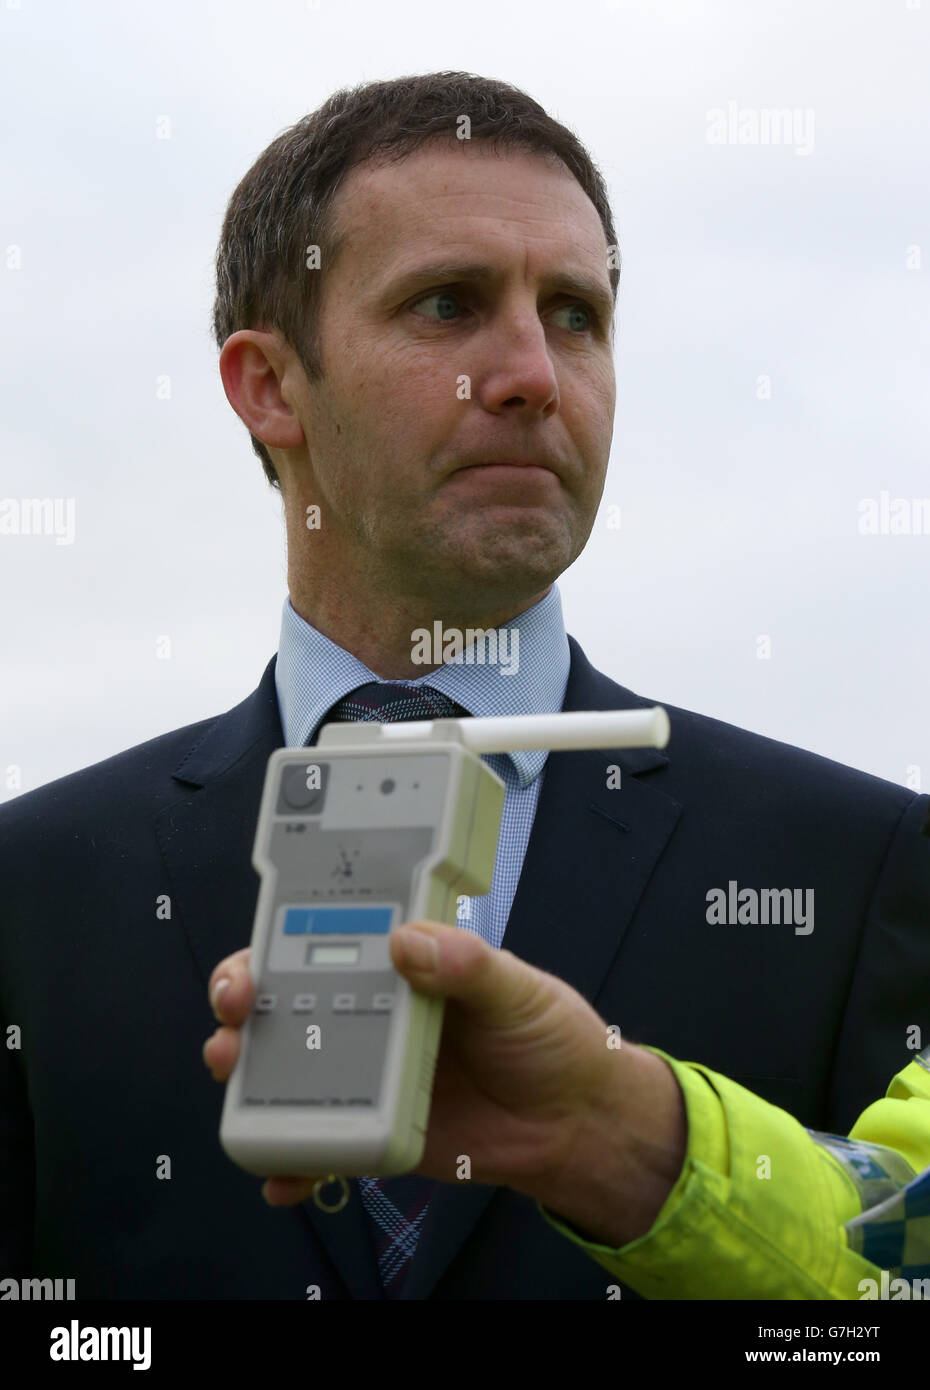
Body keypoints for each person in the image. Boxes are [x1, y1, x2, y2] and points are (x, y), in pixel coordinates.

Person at [2, 72, 929, 1301]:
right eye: (450, 304)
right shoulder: (33, 888)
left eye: (577, 314)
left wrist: (632, 1145)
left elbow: (899, 1277)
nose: (535, 373)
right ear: (268, 386)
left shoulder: (858, 865)